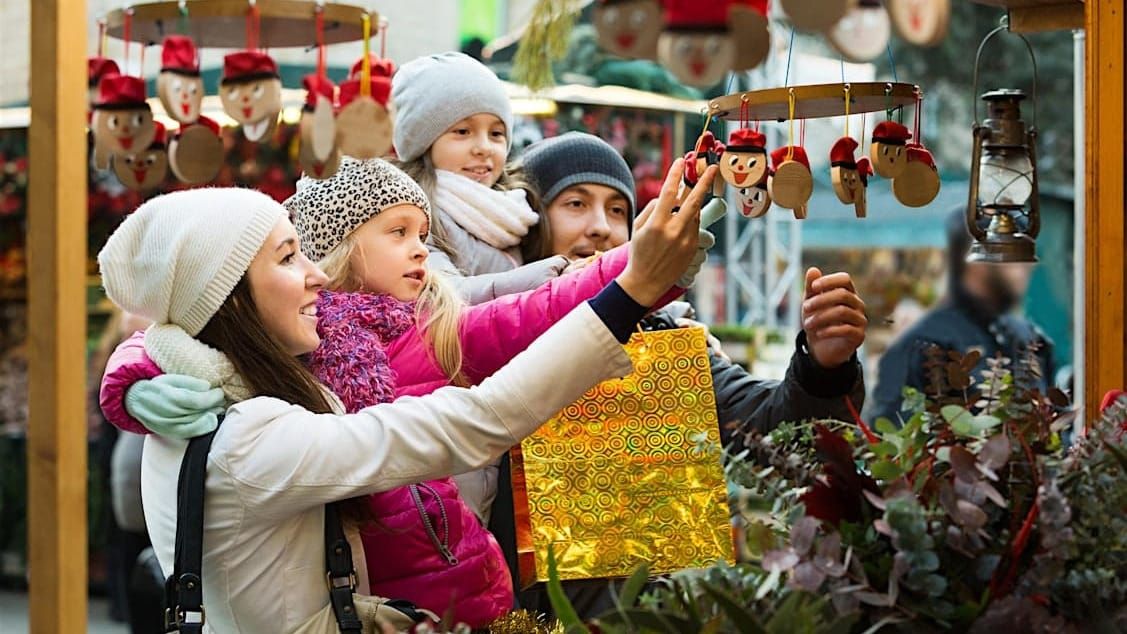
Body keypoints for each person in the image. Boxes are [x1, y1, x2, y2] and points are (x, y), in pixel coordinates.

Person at [95, 166, 712, 633]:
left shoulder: (220, 394)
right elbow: (475, 423)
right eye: (289, 258)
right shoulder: (251, 432)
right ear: (229, 299)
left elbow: (525, 306)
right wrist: (633, 287)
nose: (310, 273)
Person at [504, 132, 869, 617]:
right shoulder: (483, 338)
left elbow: (779, 430)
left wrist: (824, 365)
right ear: (531, 221)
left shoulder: (665, 336)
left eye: (618, 211)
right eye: (575, 204)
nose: (601, 229)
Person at [390, 51, 569, 305]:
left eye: (496, 133)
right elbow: (443, 293)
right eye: (463, 131)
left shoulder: (514, 211)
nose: (484, 147)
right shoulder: (414, 214)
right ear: (422, 143)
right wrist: (543, 279)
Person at [870, 206, 1054, 424]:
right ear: (975, 259)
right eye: (1011, 251)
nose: (1026, 265)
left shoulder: (1029, 338)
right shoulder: (920, 345)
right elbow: (889, 441)